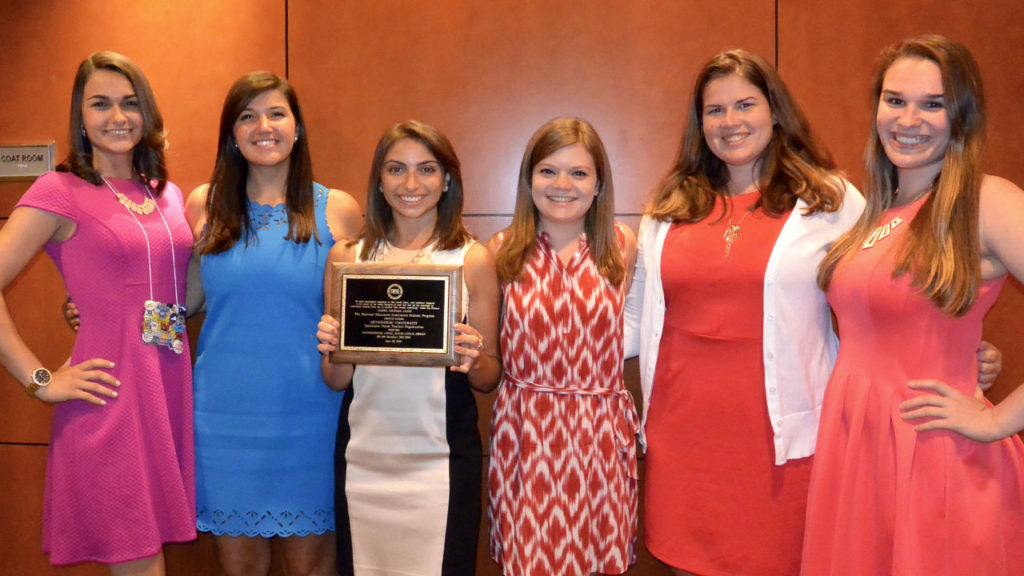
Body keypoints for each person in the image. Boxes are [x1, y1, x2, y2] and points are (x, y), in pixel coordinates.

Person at [628, 49, 1002, 576]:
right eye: (715, 111)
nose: (730, 122)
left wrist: (961, 347)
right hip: (682, 440)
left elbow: (881, 294)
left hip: (783, 445)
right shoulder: (665, 211)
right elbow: (632, 322)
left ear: (775, 112)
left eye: (745, 105)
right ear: (699, 124)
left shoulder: (830, 200)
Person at [804, 35, 1024, 575]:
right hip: (858, 449)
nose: (909, 119)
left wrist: (1001, 421)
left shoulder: (985, 199)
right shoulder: (879, 211)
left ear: (962, 117)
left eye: (933, 104)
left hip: (935, 456)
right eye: (895, 99)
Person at [0, 52, 195, 574]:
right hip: (108, 399)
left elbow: (172, 290)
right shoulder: (58, 192)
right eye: (100, 104)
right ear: (79, 117)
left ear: (147, 112)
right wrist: (39, 379)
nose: (117, 117)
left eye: (130, 103)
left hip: (167, 392)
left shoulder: (167, 195)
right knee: (140, 566)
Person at [184, 72, 362, 576]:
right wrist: (108, 308)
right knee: (239, 568)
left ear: (298, 127)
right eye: (247, 116)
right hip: (222, 417)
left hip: (311, 414)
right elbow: (191, 298)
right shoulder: (203, 203)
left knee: (311, 568)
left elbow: (362, 313)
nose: (264, 126)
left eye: (277, 113)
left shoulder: (339, 210)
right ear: (232, 134)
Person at [316, 120, 501, 576]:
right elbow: (336, 380)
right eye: (396, 169)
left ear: (447, 180)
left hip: (441, 457)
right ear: (379, 180)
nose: (411, 184)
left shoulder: (470, 259)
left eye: (427, 169)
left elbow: (489, 378)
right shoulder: (348, 258)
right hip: (364, 458)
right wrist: (332, 347)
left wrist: (472, 357)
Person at [487, 117, 640, 576]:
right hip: (526, 434)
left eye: (578, 173)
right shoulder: (500, 251)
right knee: (526, 560)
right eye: (548, 171)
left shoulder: (623, 246)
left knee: (599, 560)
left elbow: (636, 326)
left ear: (598, 185)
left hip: (600, 434)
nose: (562, 185)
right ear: (528, 180)